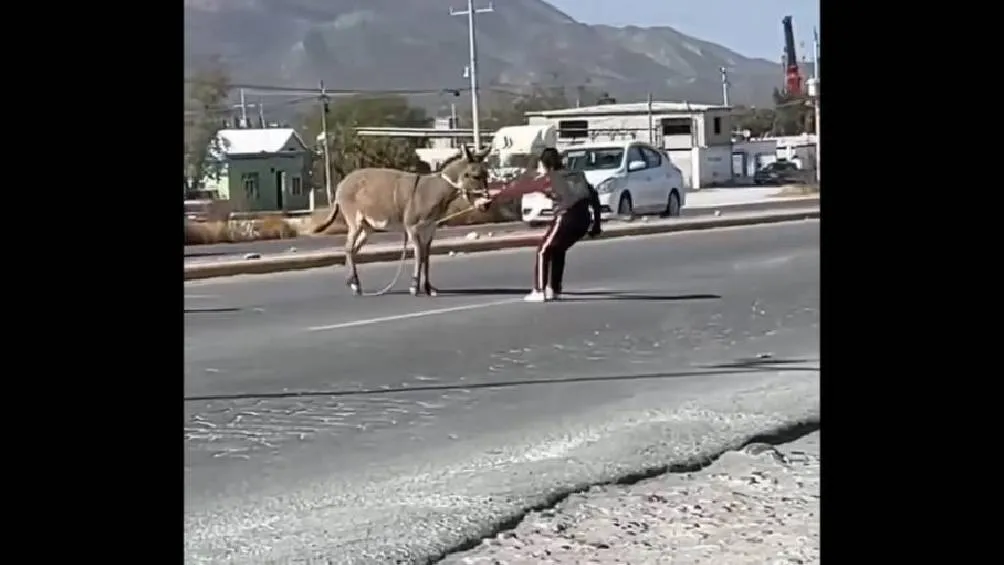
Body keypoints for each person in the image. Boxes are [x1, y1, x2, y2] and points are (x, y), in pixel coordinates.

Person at [475, 147, 603, 302]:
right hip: (584, 219)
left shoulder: (550, 178)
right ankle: (554, 289)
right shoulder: (577, 175)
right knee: (557, 249)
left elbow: (521, 188)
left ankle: (539, 290)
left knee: (543, 250)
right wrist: (596, 225)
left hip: (566, 216)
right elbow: (594, 197)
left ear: (544, 164)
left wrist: (492, 198)